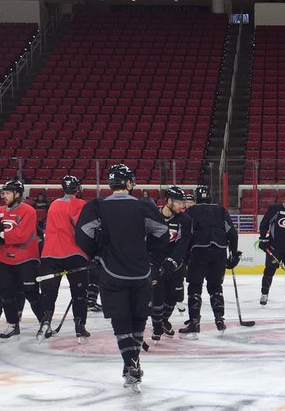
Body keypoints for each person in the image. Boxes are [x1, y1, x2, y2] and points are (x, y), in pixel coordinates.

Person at [74, 163, 171, 390]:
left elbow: (82, 236)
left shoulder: (96, 206)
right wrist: (148, 252)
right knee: (138, 320)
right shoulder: (144, 206)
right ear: (129, 183)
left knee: (121, 322)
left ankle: (130, 363)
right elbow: (163, 233)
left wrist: (97, 251)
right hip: (141, 273)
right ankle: (131, 364)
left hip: (111, 272)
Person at [0, 179, 45, 339]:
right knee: (4, 293)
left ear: (17, 194)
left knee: (31, 293)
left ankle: (45, 323)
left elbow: (21, 236)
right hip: (5, 259)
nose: (4, 196)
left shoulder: (28, 211)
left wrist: (0, 234)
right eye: (3, 192)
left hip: (26, 259)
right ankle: (12, 324)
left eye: (8, 193)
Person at [179, 183, 240, 338]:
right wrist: (233, 253)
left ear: (197, 198)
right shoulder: (221, 210)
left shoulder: (191, 211)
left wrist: (184, 256)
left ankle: (194, 323)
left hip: (199, 251)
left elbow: (187, 235)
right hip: (219, 252)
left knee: (194, 287)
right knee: (215, 286)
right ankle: (219, 319)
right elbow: (232, 233)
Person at [38, 175, 92, 342]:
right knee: (79, 293)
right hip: (73, 254)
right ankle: (79, 326)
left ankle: (45, 322)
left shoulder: (54, 204)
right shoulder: (79, 204)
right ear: (77, 189)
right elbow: (82, 229)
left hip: (50, 254)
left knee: (48, 292)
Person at [150, 185, 188, 340]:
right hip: (155, 262)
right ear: (169, 201)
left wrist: (172, 261)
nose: (182, 206)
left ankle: (164, 320)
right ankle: (157, 326)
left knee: (173, 296)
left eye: (183, 202)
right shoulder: (152, 215)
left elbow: (183, 243)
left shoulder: (185, 220)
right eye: (179, 202)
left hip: (175, 263)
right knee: (157, 295)